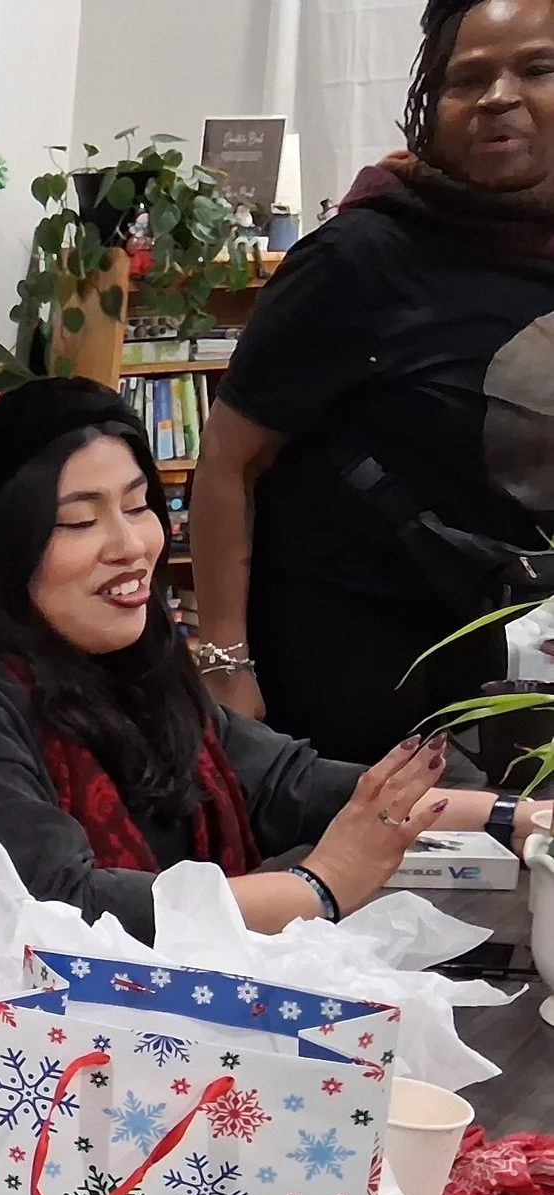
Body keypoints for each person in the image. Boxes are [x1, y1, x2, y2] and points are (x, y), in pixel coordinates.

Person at [0, 376, 553, 1116]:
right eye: (80, 521)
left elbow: (284, 780)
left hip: (96, 1072)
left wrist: (518, 818)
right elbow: (64, 919)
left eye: (138, 505)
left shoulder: (111, 663)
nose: (131, 544)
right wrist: (317, 887)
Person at [191, 0, 554, 761]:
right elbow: (227, 461)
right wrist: (227, 663)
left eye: (538, 69)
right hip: (348, 671)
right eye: (467, 79)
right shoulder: (360, 258)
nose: (497, 97)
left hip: (505, 657)